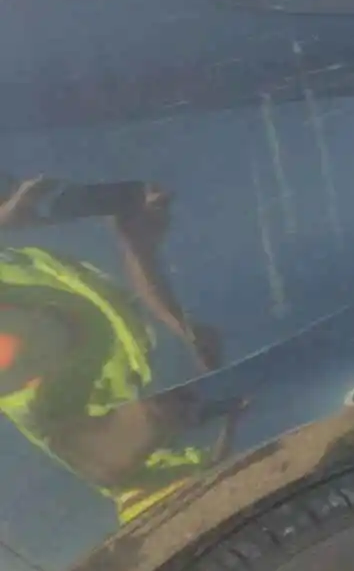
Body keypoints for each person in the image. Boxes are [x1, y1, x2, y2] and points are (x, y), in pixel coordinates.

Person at [0, 174, 237, 523]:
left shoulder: (28, 265)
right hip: (169, 506)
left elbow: (181, 342)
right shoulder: (15, 316)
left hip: (215, 473)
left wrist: (138, 246)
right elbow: (97, 451)